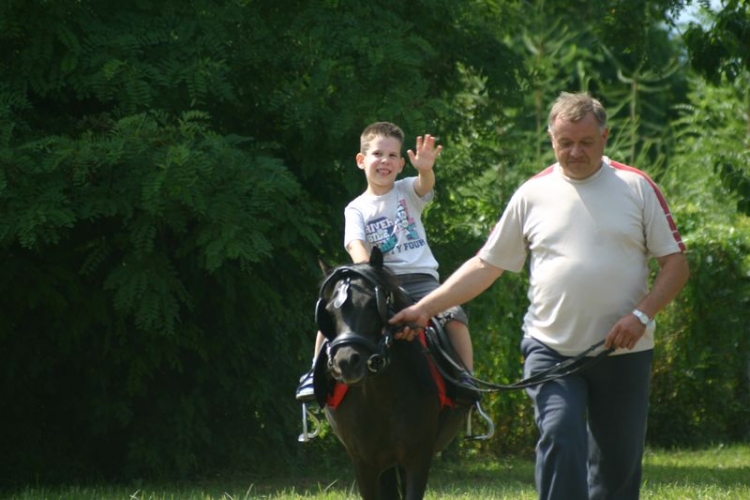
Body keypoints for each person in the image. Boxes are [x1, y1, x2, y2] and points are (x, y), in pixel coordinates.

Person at [390, 92, 690, 499]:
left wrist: (640, 317)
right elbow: (487, 265)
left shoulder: (635, 187)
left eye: (585, 142)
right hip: (551, 349)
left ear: (605, 137)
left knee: (617, 466)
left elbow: (676, 264)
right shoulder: (532, 194)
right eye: (565, 142)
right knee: (559, 433)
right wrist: (424, 309)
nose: (575, 151)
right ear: (551, 139)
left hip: (624, 350)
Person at [295, 121, 475, 401]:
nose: (385, 161)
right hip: (377, 281)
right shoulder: (355, 208)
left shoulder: (405, 191)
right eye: (378, 154)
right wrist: (368, 271)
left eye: (392, 156)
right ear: (361, 160)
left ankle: (465, 377)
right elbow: (356, 245)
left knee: (453, 316)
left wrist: (426, 170)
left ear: (402, 164)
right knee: (333, 315)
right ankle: (314, 376)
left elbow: (424, 185)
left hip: (421, 281)